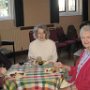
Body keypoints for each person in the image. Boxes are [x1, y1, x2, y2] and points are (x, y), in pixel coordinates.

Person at [55, 22, 90, 90]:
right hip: (74, 82)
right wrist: (62, 65)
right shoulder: (85, 52)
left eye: (88, 37)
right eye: (83, 37)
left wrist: (68, 88)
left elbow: (86, 85)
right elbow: (76, 70)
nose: (85, 40)